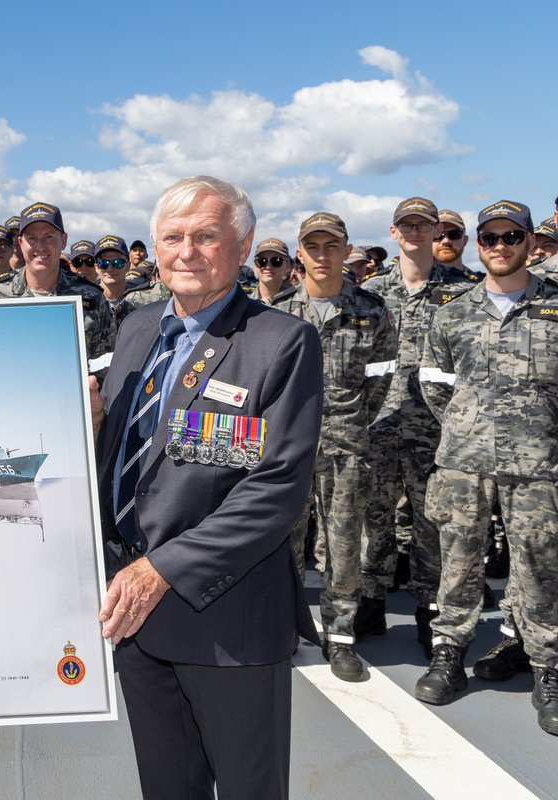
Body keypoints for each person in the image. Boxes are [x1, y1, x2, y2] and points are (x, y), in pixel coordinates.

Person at [94, 176, 322, 799]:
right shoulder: (137, 330)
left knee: (250, 789)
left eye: (206, 236)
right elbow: (133, 459)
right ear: (155, 247)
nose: (187, 251)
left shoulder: (281, 342)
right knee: (168, 787)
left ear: (243, 245)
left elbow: (273, 490)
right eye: (173, 237)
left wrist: (160, 570)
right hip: (133, 610)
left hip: (225, 615)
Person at [414, 199, 558, 736]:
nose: (500, 246)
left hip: (539, 464)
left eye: (511, 236)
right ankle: (449, 653)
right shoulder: (452, 312)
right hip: (463, 462)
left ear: (528, 242)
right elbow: (434, 383)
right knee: (458, 561)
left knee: (540, 566)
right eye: (490, 238)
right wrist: (466, 424)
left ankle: (547, 666)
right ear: (479, 245)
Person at [271, 212, 395, 681]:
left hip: (347, 446)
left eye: (331, 246)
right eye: (313, 247)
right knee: (281, 539)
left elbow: (381, 381)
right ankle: (284, 626)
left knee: (342, 542)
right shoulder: (278, 312)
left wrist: (351, 422)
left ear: (346, 251)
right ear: (299, 254)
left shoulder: (372, 310)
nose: (322, 256)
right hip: (287, 449)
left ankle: (340, 635)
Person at [360, 197, 478, 654]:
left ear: (435, 230)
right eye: (405, 225)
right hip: (381, 421)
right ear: (393, 232)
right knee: (376, 516)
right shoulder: (373, 292)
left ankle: (430, 607)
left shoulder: (465, 290)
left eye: (423, 225)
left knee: (433, 522)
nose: (414, 232)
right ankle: (371, 599)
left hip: (438, 427)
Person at [0, 202, 114, 360]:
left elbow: (107, 363)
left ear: (63, 240)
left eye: (48, 237)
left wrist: (94, 382)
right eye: (32, 238)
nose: (40, 247)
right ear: (21, 243)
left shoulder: (92, 298)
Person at [95, 234, 133, 325]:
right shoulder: (87, 300)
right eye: (103, 263)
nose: (110, 268)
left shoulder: (141, 300)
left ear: (128, 266)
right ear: (96, 267)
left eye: (117, 263)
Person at [248, 237, 293, 304]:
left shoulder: (302, 304)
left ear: (287, 266)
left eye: (276, 261)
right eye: (262, 261)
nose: (268, 266)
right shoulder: (243, 303)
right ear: (255, 266)